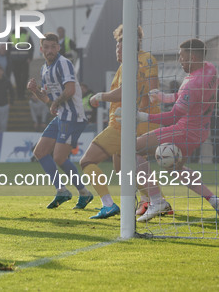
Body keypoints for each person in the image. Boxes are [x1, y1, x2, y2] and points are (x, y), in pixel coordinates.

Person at [116, 39, 219, 221]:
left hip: (184, 131)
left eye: (182, 57)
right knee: (175, 168)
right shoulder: (210, 69)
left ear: (192, 57)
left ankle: (156, 201)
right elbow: (185, 99)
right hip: (201, 132)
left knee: (130, 149)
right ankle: (214, 199)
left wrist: (141, 116)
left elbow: (173, 116)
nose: (180, 60)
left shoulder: (192, 83)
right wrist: (163, 97)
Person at [79, 25, 161, 219]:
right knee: (123, 168)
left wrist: (99, 96)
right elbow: (151, 92)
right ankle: (153, 200)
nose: (117, 48)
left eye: (119, 43)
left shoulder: (133, 62)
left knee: (87, 161)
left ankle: (109, 204)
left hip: (124, 124)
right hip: (137, 121)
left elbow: (131, 92)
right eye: (117, 43)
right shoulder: (145, 59)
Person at [26, 32, 93, 209]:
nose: (49, 50)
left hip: (73, 116)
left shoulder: (64, 63)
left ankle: (84, 193)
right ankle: (62, 190)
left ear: (58, 47)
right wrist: (35, 90)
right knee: (39, 152)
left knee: (59, 157)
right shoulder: (44, 69)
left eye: (53, 47)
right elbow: (47, 98)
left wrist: (55, 102)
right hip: (61, 116)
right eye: (46, 47)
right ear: (41, 49)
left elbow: (70, 90)